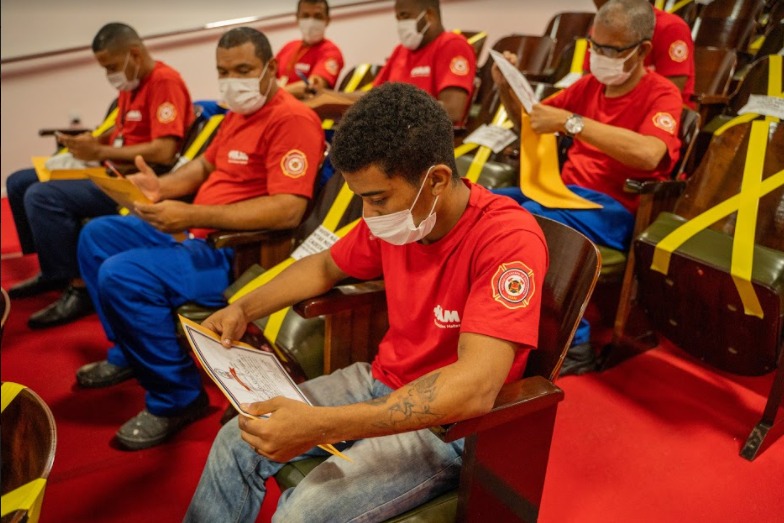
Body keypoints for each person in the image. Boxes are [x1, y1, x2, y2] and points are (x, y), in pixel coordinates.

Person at [184, 82, 548, 522]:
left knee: (301, 515)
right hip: (381, 378)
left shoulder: (507, 239)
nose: (368, 216)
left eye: (377, 199)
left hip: (446, 425)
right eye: (361, 199)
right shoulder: (405, 215)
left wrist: (321, 425)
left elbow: (473, 388)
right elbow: (325, 266)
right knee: (236, 439)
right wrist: (243, 308)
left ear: (436, 180)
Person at [73, 27, 325, 450]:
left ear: (270, 68)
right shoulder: (238, 114)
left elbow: (288, 209)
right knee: (96, 236)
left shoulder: (293, 119)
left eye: (243, 69)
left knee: (122, 274)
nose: (232, 80)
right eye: (223, 71)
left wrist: (191, 214)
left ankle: (177, 399)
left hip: (234, 252)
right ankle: (129, 354)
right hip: (195, 230)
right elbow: (206, 168)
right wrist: (161, 188)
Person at [493, 0, 682, 375]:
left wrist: (573, 123)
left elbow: (650, 153)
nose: (600, 56)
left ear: (642, 50)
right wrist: (505, 88)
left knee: (532, 222)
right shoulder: (589, 86)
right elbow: (534, 122)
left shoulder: (661, 93)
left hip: (613, 209)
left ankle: (575, 346)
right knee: (489, 203)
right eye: (596, 45)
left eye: (613, 50)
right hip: (562, 193)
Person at [6, 22, 194, 330]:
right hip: (109, 166)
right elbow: (121, 135)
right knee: (18, 182)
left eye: (111, 66)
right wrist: (90, 143)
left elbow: (164, 151)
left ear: (134, 54)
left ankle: (79, 288)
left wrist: (100, 151)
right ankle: (52, 271)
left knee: (42, 195)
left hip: (133, 180)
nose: (109, 74)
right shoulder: (130, 87)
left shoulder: (164, 81)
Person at [308, 0, 476, 125]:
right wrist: (328, 96)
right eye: (398, 18)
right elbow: (374, 95)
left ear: (429, 15)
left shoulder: (453, 45)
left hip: (424, 141)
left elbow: (453, 111)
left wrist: (392, 105)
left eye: (405, 16)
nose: (401, 24)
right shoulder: (400, 51)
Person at [588, 0, 695, 107]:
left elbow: (671, 93)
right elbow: (589, 85)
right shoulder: (601, 28)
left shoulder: (671, 28)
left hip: (660, 109)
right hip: (607, 108)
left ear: (642, 50)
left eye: (612, 50)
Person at [275, 0, 345, 99]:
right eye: (305, 16)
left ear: (327, 20)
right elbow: (266, 78)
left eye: (318, 16)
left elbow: (313, 87)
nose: (311, 22)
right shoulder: (288, 47)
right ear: (297, 18)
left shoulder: (331, 52)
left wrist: (274, 94)